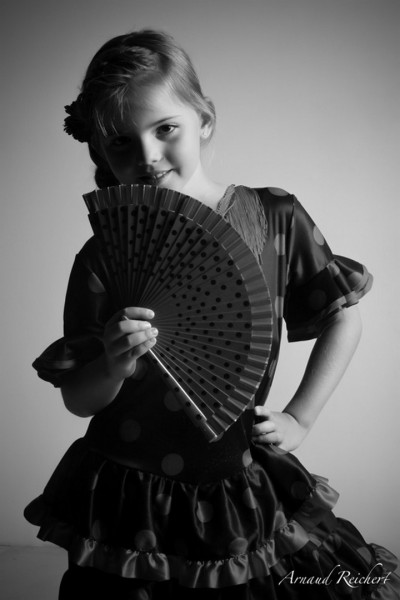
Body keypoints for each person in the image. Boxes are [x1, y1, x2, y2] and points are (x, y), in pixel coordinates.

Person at [24, 29, 399, 600]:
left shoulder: (273, 217)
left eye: (165, 128)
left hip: (234, 481)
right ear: (100, 153)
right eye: (121, 142)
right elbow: (79, 399)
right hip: (128, 494)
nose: (147, 156)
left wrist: (300, 418)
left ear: (205, 120)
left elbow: (343, 317)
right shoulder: (103, 255)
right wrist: (112, 365)